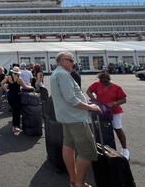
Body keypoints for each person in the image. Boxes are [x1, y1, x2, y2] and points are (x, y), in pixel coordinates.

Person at [50, 52, 101, 187]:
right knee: (88, 151)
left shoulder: (56, 73)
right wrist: (91, 107)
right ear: (62, 61)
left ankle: (74, 180)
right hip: (76, 118)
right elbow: (71, 99)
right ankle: (79, 183)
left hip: (66, 117)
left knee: (68, 146)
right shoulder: (63, 75)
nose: (74, 63)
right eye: (71, 60)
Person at [86, 71, 130, 160]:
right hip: (101, 111)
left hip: (114, 111)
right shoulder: (97, 84)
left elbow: (123, 100)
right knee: (100, 129)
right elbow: (88, 91)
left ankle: (125, 149)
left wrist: (114, 103)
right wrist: (94, 99)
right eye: (102, 81)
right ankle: (101, 148)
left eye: (106, 82)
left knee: (117, 129)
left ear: (109, 80)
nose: (104, 83)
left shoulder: (116, 87)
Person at [1, 66, 34, 134]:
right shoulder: (19, 79)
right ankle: (15, 127)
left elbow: (1, 83)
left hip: (10, 96)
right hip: (17, 96)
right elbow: (25, 87)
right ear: (18, 72)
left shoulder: (8, 77)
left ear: (13, 72)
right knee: (17, 112)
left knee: (14, 111)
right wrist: (31, 87)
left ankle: (15, 127)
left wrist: (6, 90)